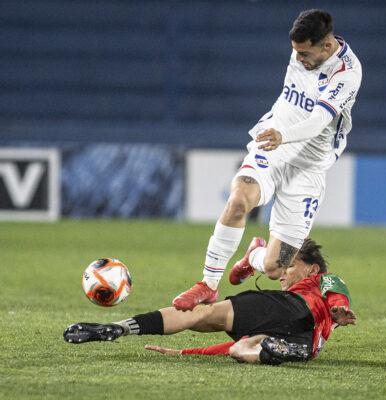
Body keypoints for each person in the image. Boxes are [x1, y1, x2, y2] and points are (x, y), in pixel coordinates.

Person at [172, 9, 362, 310]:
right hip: (273, 147)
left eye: (304, 53)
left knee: (276, 268)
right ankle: (208, 284)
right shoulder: (306, 50)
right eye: (295, 52)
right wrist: (280, 137)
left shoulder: (347, 74)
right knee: (238, 200)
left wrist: (283, 135)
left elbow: (317, 122)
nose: (298, 59)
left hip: (308, 168)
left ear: (327, 47)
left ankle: (254, 256)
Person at [63, 239, 356, 365]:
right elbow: (225, 347)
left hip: (290, 307)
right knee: (240, 349)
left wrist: (338, 307)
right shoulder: (309, 305)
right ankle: (278, 351)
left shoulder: (323, 279)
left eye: (289, 265)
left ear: (312, 269)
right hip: (304, 341)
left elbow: (335, 291)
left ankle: (121, 327)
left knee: (203, 314)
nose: (281, 271)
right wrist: (187, 352)